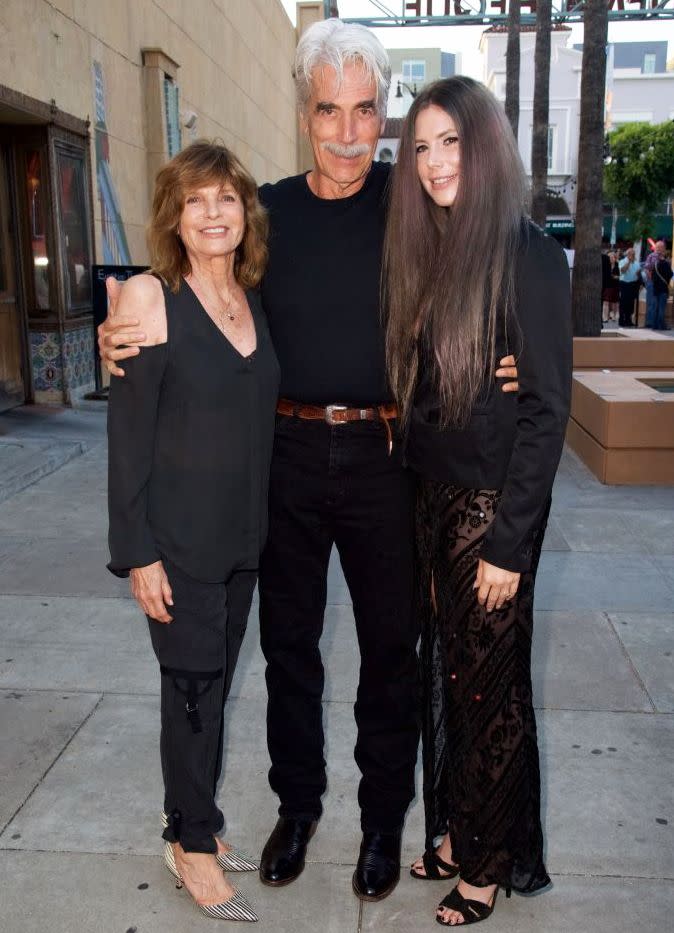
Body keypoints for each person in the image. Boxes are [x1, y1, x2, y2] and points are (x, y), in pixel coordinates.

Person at [98, 19, 519, 904]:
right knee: (289, 647)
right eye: (329, 110)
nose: (348, 132)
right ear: (303, 114)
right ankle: (297, 808)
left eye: (365, 111)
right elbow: (196, 281)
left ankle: (380, 823)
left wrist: (515, 353)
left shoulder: (415, 208)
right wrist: (129, 313)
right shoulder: (267, 214)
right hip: (281, 457)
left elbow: (487, 276)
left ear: (383, 114)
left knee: (387, 654)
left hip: (385, 455)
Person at [383, 77, 572, 926]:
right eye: (420, 146)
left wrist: (508, 544)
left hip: (490, 514)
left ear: (485, 144)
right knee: (452, 683)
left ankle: (488, 864)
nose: (433, 163)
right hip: (431, 503)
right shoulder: (430, 248)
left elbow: (547, 408)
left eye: (450, 142)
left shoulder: (527, 251)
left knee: (490, 690)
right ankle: (462, 829)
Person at [107, 141, 280, 922]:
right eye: (196, 199)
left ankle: (197, 820)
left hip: (243, 540)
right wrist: (137, 550)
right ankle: (190, 845)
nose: (213, 213)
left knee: (213, 688)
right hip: (177, 543)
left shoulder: (251, 296)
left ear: (246, 212)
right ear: (174, 216)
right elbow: (127, 437)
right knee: (191, 693)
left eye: (227, 199)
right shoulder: (149, 297)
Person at [644, 240, 667, 328]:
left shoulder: (663, 258)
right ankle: (651, 323)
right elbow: (647, 269)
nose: (660, 249)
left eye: (661, 247)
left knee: (656, 303)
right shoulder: (653, 256)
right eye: (658, 247)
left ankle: (656, 323)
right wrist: (652, 279)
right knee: (652, 303)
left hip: (658, 284)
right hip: (652, 283)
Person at [618, 247, 640, 327]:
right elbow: (622, 270)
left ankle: (628, 320)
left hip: (633, 284)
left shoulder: (637, 263)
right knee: (623, 303)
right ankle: (621, 320)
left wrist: (639, 274)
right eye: (631, 254)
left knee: (630, 304)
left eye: (633, 254)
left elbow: (638, 275)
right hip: (624, 284)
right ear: (627, 254)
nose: (632, 255)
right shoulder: (622, 261)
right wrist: (629, 263)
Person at [652, 248, 672, 330]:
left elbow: (653, 276)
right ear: (663, 255)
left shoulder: (656, 264)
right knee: (661, 308)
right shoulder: (666, 264)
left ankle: (655, 325)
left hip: (656, 289)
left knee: (655, 308)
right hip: (663, 288)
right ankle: (661, 325)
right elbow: (670, 274)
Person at [601, 250, 619, 323]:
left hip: (615, 285)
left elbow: (621, 275)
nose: (611, 259)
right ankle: (605, 317)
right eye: (609, 257)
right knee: (606, 301)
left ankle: (614, 316)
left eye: (612, 257)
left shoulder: (617, 265)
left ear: (615, 258)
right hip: (608, 285)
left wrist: (616, 277)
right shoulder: (605, 265)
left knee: (615, 302)